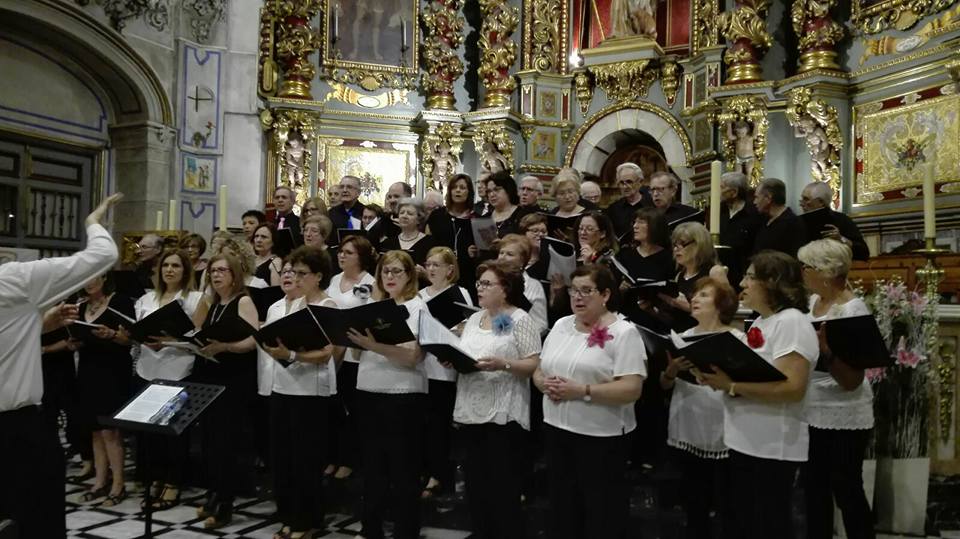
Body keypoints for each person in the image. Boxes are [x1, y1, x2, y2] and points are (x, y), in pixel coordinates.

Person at [0, 193, 121, 539]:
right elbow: (103, 255)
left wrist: (35, 326)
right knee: (38, 523)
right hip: (18, 431)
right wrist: (93, 223)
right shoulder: (13, 280)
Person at [698, 250, 818, 539]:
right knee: (743, 523)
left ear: (772, 282)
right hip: (745, 440)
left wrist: (732, 386)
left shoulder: (792, 322)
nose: (742, 283)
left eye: (750, 277)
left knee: (768, 524)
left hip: (772, 446)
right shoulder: (763, 321)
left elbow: (792, 388)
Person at [534, 264, 646, 539]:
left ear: (605, 294)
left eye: (587, 290)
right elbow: (540, 368)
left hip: (600, 437)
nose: (577, 297)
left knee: (600, 512)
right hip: (557, 430)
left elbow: (631, 388)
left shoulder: (624, 332)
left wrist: (582, 390)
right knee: (563, 508)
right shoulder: (561, 324)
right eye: (574, 290)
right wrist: (542, 383)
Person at [454, 261, 542, 539]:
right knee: (476, 488)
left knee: (503, 490)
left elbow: (532, 364)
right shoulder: (473, 320)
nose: (479, 288)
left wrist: (503, 364)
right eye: (478, 283)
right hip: (471, 410)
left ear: (505, 289)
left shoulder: (518, 319)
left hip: (504, 415)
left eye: (486, 284)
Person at [798, 239, 875, 539]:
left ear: (826, 271)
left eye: (807, 267)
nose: (802, 272)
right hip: (811, 407)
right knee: (813, 489)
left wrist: (826, 352)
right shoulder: (811, 303)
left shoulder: (852, 310)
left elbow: (852, 379)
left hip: (844, 410)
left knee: (847, 489)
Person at [261, 246, 339, 539]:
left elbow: (326, 353)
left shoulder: (327, 305)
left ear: (318, 276)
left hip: (311, 392)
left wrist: (291, 354)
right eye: (293, 272)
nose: (296, 278)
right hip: (283, 387)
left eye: (303, 273)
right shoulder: (290, 304)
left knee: (305, 460)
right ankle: (289, 515)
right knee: (282, 458)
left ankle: (306, 521)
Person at [349, 251, 427, 539]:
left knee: (403, 469)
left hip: (403, 393)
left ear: (409, 275)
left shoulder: (418, 307)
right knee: (372, 468)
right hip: (369, 389)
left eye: (396, 272)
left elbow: (413, 356)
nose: (390, 277)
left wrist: (373, 345)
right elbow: (358, 352)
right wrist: (354, 340)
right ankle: (371, 529)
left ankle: (406, 531)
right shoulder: (374, 304)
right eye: (385, 272)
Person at [661, 277, 741, 539]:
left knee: (729, 504)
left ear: (722, 304)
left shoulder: (736, 338)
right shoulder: (682, 338)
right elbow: (664, 384)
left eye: (704, 295)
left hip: (725, 425)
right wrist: (672, 371)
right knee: (695, 503)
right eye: (695, 295)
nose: (694, 299)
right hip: (689, 422)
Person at [129, 249, 203, 510]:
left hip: (178, 370)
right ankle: (156, 477)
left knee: (173, 433)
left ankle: (173, 483)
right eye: (166, 266)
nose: (170, 270)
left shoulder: (195, 298)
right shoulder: (146, 299)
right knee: (151, 433)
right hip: (148, 369)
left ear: (185, 271)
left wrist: (168, 341)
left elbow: (198, 338)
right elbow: (137, 332)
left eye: (176, 266)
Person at [191, 253, 260, 529]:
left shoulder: (243, 300)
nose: (216, 275)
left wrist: (226, 347)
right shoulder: (215, 303)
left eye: (222, 271)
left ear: (234, 275)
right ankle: (214, 493)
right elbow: (199, 328)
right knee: (212, 441)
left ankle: (225, 504)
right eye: (212, 271)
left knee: (227, 443)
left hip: (234, 379)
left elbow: (254, 338)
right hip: (213, 376)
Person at [74, 271, 135, 507]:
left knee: (111, 430)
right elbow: (79, 338)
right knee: (95, 429)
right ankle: (100, 480)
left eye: (94, 277)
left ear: (104, 279)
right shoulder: (80, 307)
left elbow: (129, 339)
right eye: (85, 278)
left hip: (113, 371)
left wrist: (111, 335)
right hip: (88, 371)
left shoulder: (120, 302)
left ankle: (118, 483)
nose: (89, 282)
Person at [417, 247, 474, 499]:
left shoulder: (459, 293)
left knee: (440, 426)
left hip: (445, 367)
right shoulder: (418, 295)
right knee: (424, 425)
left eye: (436, 265)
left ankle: (440, 475)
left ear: (450, 270)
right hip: (422, 366)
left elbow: (467, 325)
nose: (430, 269)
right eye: (428, 264)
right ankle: (426, 469)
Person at [325, 235, 378, 480]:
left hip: (354, 354)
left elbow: (368, 315)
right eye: (341, 252)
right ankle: (333, 455)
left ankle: (350, 459)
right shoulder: (335, 279)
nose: (342, 255)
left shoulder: (369, 282)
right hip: (332, 348)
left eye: (349, 252)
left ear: (361, 257)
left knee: (353, 410)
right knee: (334, 408)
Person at [425, 173, 477, 293]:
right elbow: (427, 243)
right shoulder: (437, 215)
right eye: (454, 187)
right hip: (438, 273)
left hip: (466, 275)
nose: (457, 190)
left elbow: (483, 250)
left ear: (469, 192)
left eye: (462, 188)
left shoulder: (477, 219)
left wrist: (475, 252)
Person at [799, 181, 870, 261]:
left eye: (806, 199)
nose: (801, 204)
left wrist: (841, 239)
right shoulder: (797, 223)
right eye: (802, 199)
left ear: (821, 202)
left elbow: (863, 252)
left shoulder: (842, 220)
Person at [497, 234, 549, 333]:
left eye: (509, 254)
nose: (502, 257)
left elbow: (541, 325)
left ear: (522, 260)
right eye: (501, 252)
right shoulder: (493, 281)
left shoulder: (533, 286)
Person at [718, 171, 760, 287]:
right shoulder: (719, 211)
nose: (718, 192)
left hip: (743, 270)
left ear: (734, 192)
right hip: (722, 269)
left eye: (722, 187)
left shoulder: (753, 213)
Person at [752, 177, 808, 258]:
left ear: (768, 198)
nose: (754, 202)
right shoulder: (763, 219)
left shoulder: (792, 223)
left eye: (757, 197)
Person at [615, 207, 674, 282]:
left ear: (655, 226)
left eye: (641, 222)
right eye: (635, 222)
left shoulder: (669, 258)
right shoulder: (625, 255)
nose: (635, 226)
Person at [378, 197, 438, 266]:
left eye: (409, 214)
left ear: (419, 219)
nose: (404, 216)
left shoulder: (430, 243)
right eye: (402, 213)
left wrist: (424, 273)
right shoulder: (388, 243)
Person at [606, 162, 652, 241]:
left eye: (629, 182)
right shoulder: (613, 209)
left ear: (640, 182)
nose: (625, 187)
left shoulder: (652, 206)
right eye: (621, 183)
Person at [487, 171, 530, 237]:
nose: (492, 194)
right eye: (489, 191)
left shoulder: (523, 216)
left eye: (497, 189)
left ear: (508, 190)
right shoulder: (485, 217)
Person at [329, 175, 366, 243]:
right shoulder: (331, 213)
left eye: (349, 187)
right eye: (342, 187)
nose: (344, 190)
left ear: (358, 192)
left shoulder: (366, 212)